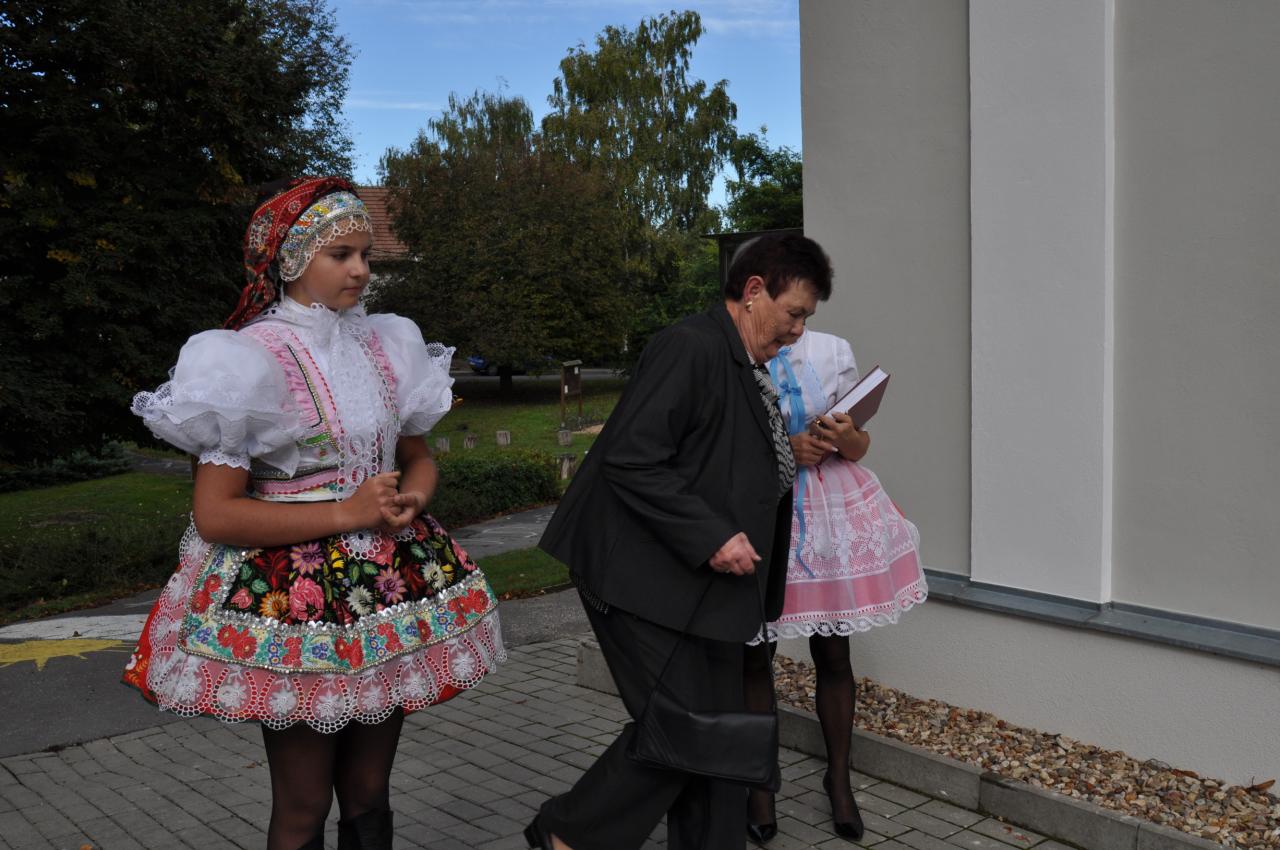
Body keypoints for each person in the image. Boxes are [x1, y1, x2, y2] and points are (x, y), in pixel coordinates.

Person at [122, 177, 506, 850]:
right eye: (342, 255)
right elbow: (216, 515)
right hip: (293, 598)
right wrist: (347, 512)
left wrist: (412, 499)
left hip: (385, 593)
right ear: (293, 260)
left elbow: (417, 458)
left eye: (366, 255)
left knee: (369, 790)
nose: (361, 270)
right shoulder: (247, 359)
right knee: (302, 804)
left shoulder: (389, 345)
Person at [526, 233, 833, 850]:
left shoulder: (745, 363)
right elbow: (632, 457)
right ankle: (567, 833)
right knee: (689, 732)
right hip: (638, 580)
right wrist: (712, 534)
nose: (799, 331)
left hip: (703, 589)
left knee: (716, 744)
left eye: (805, 318)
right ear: (753, 291)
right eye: (794, 313)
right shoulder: (690, 346)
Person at [742, 329, 926, 843]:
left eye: (806, 310)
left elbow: (859, 446)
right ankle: (759, 784)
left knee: (834, 652)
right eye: (792, 306)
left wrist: (844, 437)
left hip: (829, 511)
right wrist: (786, 449)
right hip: (767, 508)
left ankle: (839, 780)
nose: (798, 320)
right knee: (755, 655)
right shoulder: (737, 350)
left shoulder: (832, 350)